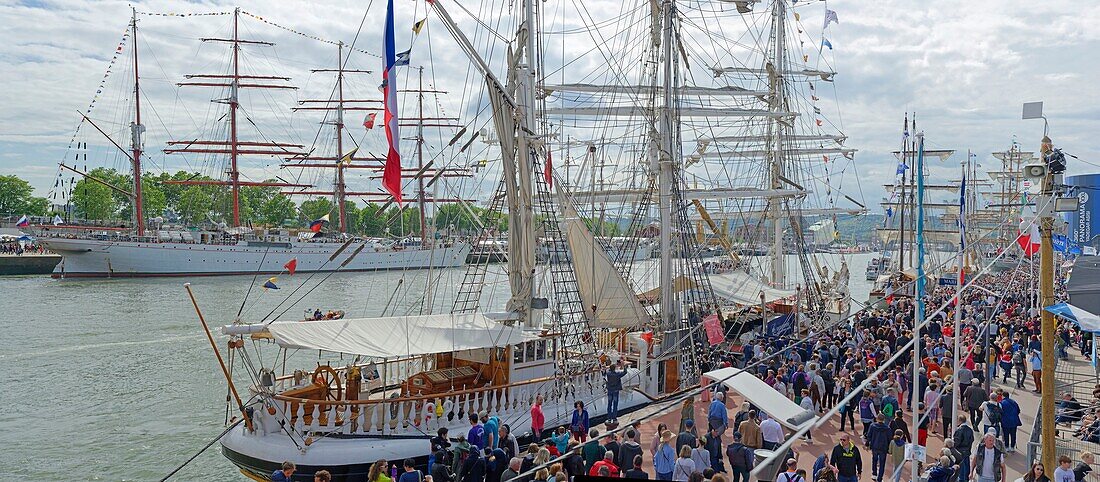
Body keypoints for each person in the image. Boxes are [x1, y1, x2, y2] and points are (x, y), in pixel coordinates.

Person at [868, 414, 892, 482]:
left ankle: (874, 474)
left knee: (874, 460)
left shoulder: (872, 426)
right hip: (883, 448)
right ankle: (880, 478)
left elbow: (869, 435)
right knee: (882, 463)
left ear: (877, 419)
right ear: (884, 420)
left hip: (874, 446)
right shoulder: (887, 428)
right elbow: (889, 439)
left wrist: (867, 444)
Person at [954, 415, 975, 482]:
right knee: (967, 466)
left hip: (960, 452)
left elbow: (957, 441)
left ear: (960, 420)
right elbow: (972, 439)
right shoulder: (970, 430)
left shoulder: (959, 430)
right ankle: (966, 478)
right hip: (967, 451)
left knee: (962, 468)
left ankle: (963, 479)